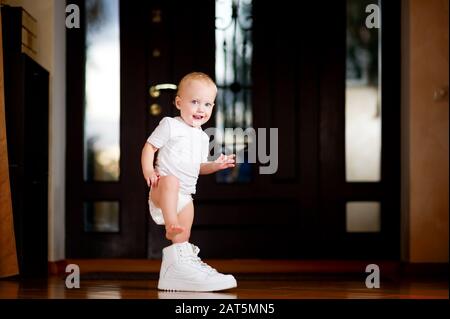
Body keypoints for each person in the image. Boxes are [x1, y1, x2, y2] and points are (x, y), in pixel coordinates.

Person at [141, 72, 237, 292]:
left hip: (184, 196)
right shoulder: (170, 125)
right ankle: (170, 223)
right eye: (194, 102)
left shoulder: (202, 137)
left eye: (207, 104)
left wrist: (215, 166)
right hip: (162, 189)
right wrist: (148, 170)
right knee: (172, 181)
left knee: (183, 235)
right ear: (178, 102)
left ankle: (176, 271)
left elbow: (199, 167)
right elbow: (149, 147)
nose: (201, 109)